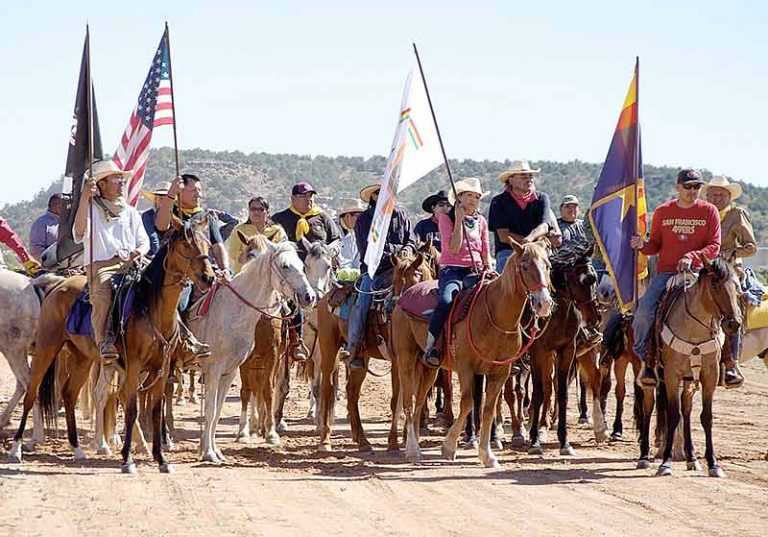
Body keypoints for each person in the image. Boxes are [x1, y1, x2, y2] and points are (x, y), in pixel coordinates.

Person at [630, 169, 721, 387]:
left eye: (696, 187)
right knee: (643, 312)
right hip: (667, 272)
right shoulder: (663, 212)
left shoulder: (709, 211)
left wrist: (692, 256)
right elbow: (656, 246)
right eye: (688, 186)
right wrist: (642, 245)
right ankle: (646, 359)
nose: (692, 191)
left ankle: (729, 361)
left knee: (729, 307)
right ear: (678, 186)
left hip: (699, 272)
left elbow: (715, 246)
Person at [72, 160, 150, 362]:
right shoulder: (91, 209)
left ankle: (181, 335)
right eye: (116, 179)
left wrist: (139, 252)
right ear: (102, 184)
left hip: (132, 263)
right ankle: (104, 340)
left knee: (162, 284)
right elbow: (79, 233)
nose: (122, 183)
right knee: (103, 295)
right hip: (103, 266)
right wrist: (84, 199)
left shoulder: (131, 212)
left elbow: (144, 241)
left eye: (122, 179)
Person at [155, 173, 230, 362]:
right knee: (180, 302)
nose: (198, 194)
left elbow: (217, 245)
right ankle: (180, 347)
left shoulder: (206, 216)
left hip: (202, 269)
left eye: (200, 190)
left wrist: (225, 269)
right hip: (174, 274)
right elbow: (161, 224)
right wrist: (172, 194)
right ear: (182, 192)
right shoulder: (171, 212)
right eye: (193, 190)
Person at [340, 183, 415, 369]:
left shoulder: (402, 216)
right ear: (374, 197)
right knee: (363, 298)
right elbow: (368, 250)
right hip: (375, 270)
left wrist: (406, 250)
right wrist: (396, 255)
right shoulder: (365, 220)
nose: (388, 196)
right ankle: (354, 346)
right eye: (382, 193)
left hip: (402, 268)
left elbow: (411, 240)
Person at [423, 178, 491, 368]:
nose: (473, 200)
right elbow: (453, 247)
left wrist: (488, 267)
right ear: (458, 198)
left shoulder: (481, 221)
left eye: (477, 197)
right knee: (446, 301)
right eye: (469, 195)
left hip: (477, 271)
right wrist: (459, 220)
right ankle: (432, 345)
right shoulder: (446, 218)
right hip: (453, 271)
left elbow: (485, 249)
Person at [272, 182, 341, 361]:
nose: (309, 200)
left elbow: (336, 239)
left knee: (343, 297)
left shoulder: (323, 217)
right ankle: (293, 341)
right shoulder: (280, 218)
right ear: (293, 199)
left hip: (320, 274)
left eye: (311, 196)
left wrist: (330, 250)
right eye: (303, 196)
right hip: (290, 277)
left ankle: (347, 342)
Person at [702, 174, 756, 388]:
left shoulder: (737, 214)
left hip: (730, 269)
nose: (716, 198)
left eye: (721, 194)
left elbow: (750, 247)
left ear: (729, 196)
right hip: (704, 267)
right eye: (712, 194)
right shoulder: (702, 214)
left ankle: (731, 363)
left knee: (734, 306)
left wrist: (730, 252)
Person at [489, 160, 552, 273]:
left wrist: (530, 239)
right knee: (506, 277)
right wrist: (525, 242)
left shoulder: (542, 198)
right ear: (511, 180)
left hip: (536, 249)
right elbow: (503, 235)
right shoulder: (498, 202)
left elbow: (544, 226)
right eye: (524, 176)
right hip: (508, 250)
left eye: (530, 176)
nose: (529, 179)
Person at [226, 197, 288, 273]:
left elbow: (285, 251)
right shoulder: (240, 229)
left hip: (271, 276)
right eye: (253, 209)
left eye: (261, 209)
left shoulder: (278, 231)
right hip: (244, 276)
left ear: (267, 212)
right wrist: (251, 258)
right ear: (249, 212)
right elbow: (233, 253)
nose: (256, 212)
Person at [140, 182, 171, 257]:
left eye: (166, 199)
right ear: (155, 200)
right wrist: (159, 256)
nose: (164, 202)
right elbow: (152, 237)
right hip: (152, 255)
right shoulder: (147, 215)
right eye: (161, 199)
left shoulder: (174, 217)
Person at [29, 193, 63, 261]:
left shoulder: (65, 222)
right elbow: (36, 250)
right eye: (64, 205)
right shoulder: (41, 224)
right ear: (56, 205)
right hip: (50, 268)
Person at [337, 200, 365, 270]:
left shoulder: (358, 232)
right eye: (358, 216)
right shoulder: (332, 229)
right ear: (347, 216)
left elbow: (357, 260)